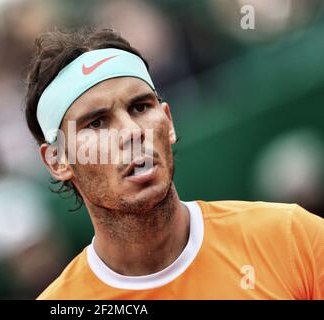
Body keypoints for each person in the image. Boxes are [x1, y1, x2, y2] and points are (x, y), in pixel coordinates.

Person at [24, 28, 323, 299]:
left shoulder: (292, 237)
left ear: (167, 122)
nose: (131, 132)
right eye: (98, 122)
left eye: (140, 107)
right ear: (58, 160)